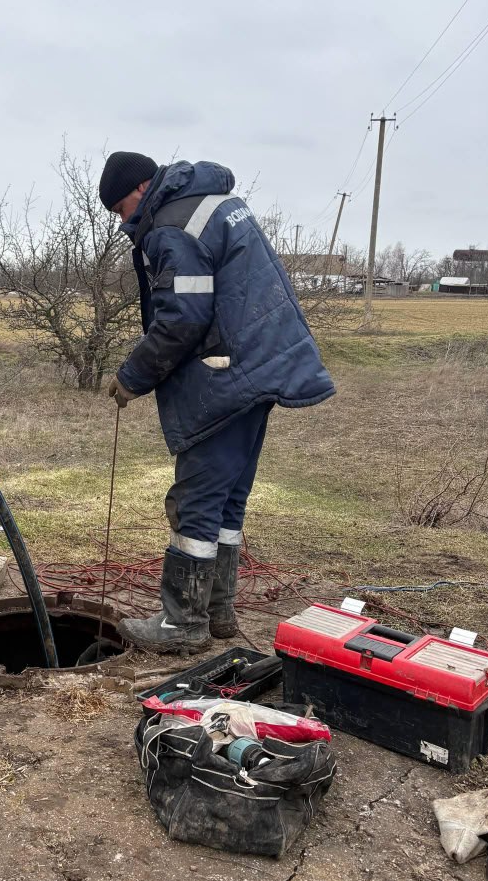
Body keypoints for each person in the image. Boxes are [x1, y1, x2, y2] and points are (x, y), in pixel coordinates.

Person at [98, 151, 335, 654]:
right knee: (229, 497)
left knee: (197, 499)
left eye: (122, 208)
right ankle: (218, 609)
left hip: (226, 375)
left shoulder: (172, 225)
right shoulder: (215, 201)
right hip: (261, 366)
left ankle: (182, 622)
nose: (124, 222)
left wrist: (132, 376)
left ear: (142, 189)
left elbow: (182, 316)